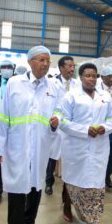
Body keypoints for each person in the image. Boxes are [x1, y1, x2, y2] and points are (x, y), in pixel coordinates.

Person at [0, 45, 61, 224]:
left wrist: (57, 120)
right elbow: (3, 116)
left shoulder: (53, 87)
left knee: (36, 185)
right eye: (41, 60)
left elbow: (59, 110)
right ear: (30, 61)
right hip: (17, 144)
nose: (46, 64)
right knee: (16, 188)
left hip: (40, 144)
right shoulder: (15, 84)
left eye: (48, 60)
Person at [56, 63, 112, 224]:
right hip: (76, 147)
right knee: (72, 182)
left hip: (98, 147)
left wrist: (106, 128)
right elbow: (63, 121)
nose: (92, 79)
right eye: (88, 75)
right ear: (80, 77)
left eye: (94, 76)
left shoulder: (105, 96)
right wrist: (84, 130)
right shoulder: (71, 96)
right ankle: (67, 206)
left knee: (96, 185)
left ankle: (94, 222)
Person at [45, 56, 79, 195]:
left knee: (70, 156)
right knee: (52, 156)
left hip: (70, 124)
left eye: (73, 66)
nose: (72, 68)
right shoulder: (51, 82)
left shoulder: (77, 84)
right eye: (69, 66)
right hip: (55, 124)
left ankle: (70, 184)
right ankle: (48, 183)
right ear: (61, 68)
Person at [0, 60, 17, 205]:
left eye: (9, 67)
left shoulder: (18, 83)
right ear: (0, 69)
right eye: (4, 67)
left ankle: (13, 189)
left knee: (13, 159)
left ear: (13, 69)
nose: (7, 69)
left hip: (14, 127)